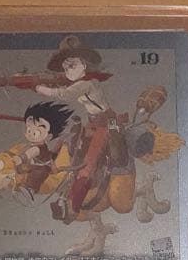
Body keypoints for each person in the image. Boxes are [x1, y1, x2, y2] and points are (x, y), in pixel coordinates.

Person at [33, 35, 124, 224]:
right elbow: (65, 86)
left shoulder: (87, 83)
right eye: (66, 68)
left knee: (88, 164)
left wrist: (39, 88)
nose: (69, 71)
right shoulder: (82, 81)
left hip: (105, 124)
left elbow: (64, 95)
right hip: (92, 123)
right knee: (71, 148)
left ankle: (73, 208)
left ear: (84, 64)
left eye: (72, 65)